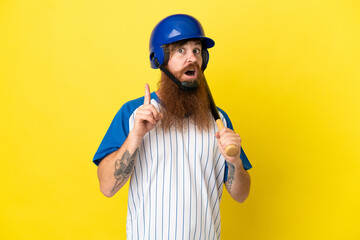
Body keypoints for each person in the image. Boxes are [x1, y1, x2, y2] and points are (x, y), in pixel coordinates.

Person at [93, 14, 252, 240]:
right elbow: (107, 187)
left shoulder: (219, 121)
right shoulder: (133, 114)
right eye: (181, 50)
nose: (192, 58)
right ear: (160, 57)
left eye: (197, 51)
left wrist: (234, 162)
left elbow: (241, 195)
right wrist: (136, 135)